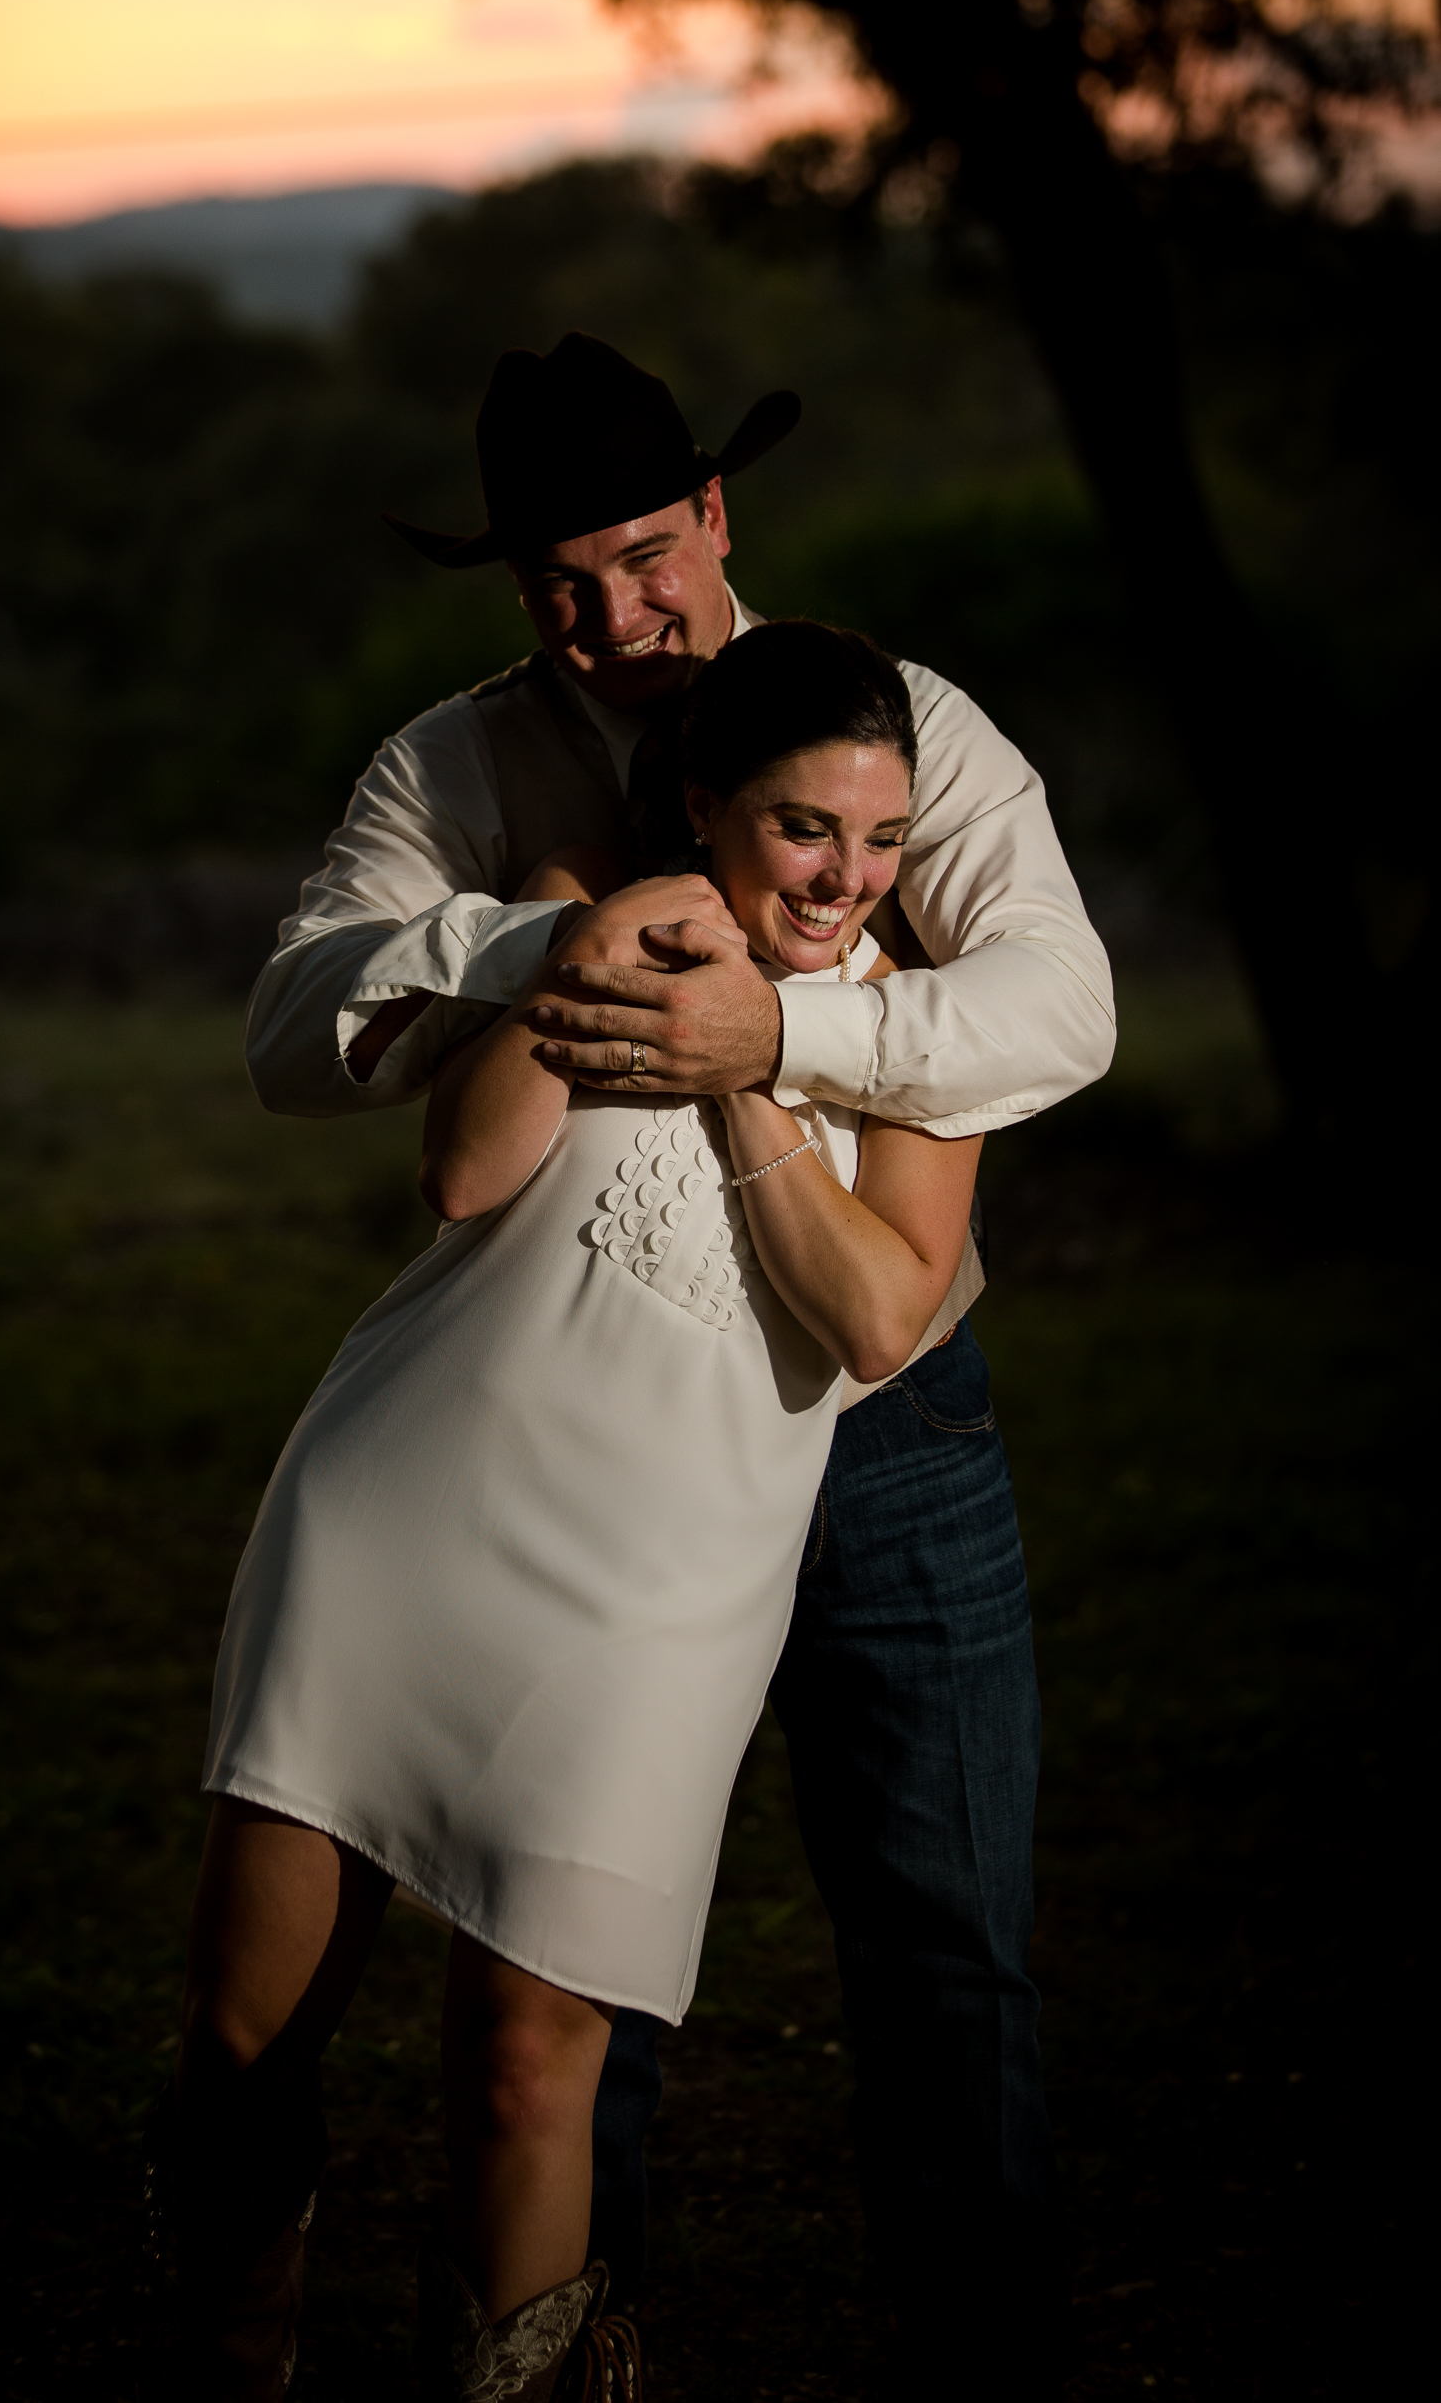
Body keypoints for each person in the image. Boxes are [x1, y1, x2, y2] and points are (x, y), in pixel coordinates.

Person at [191, 333, 1115, 2394]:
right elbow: (295, 1036)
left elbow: (1058, 1006)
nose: (614, 615)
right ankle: (565, 2344)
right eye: (560, 581)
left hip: (885, 1418)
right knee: (549, 2000)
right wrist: (538, 940)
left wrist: (772, 1033)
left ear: (714, 516)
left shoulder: (896, 734)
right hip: (547, 1427)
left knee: (946, 1942)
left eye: (643, 556)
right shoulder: (458, 768)